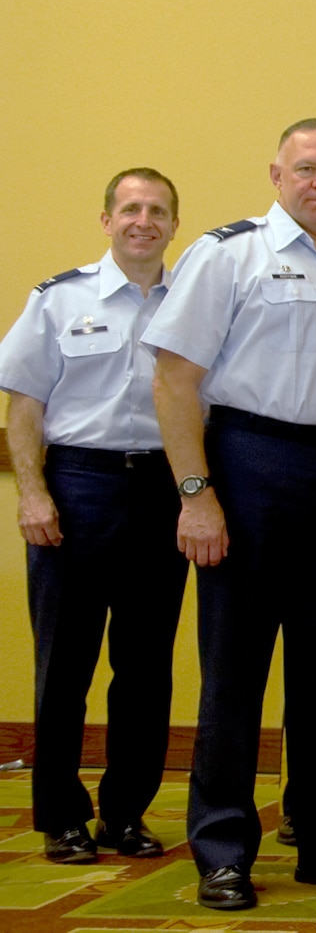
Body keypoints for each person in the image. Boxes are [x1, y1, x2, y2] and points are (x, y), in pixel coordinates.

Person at [144, 119, 316, 910]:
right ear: (276, 173)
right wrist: (197, 495)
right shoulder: (228, 256)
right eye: (306, 167)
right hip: (248, 465)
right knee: (235, 672)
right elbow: (173, 379)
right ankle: (223, 848)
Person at [1, 169, 184, 864]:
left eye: (158, 210)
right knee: (65, 665)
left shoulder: (192, 303)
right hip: (77, 486)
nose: (144, 220)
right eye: (131, 208)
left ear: (173, 224)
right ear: (106, 219)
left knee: (145, 667)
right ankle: (61, 815)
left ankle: (125, 812)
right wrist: (31, 492)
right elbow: (23, 407)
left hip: (161, 492)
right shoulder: (58, 298)